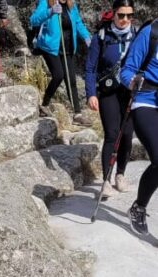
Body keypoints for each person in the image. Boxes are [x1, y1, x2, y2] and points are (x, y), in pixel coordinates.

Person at [85, 0, 136, 198]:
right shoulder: (102, 36)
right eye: (121, 15)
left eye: (129, 16)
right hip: (108, 91)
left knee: (128, 134)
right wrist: (90, 93)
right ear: (113, 14)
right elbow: (90, 67)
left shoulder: (137, 35)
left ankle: (120, 175)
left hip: (130, 91)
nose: (125, 20)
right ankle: (106, 180)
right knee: (112, 134)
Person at [121, 18, 158, 235]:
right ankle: (138, 207)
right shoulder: (151, 33)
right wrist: (133, 81)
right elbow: (127, 70)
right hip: (146, 100)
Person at [30, 0, 92, 126]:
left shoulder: (71, 5)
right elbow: (33, 20)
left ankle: (77, 114)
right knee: (58, 75)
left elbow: (78, 22)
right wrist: (50, 11)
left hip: (68, 47)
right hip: (50, 47)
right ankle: (44, 105)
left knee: (71, 80)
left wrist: (86, 37)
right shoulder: (46, 2)